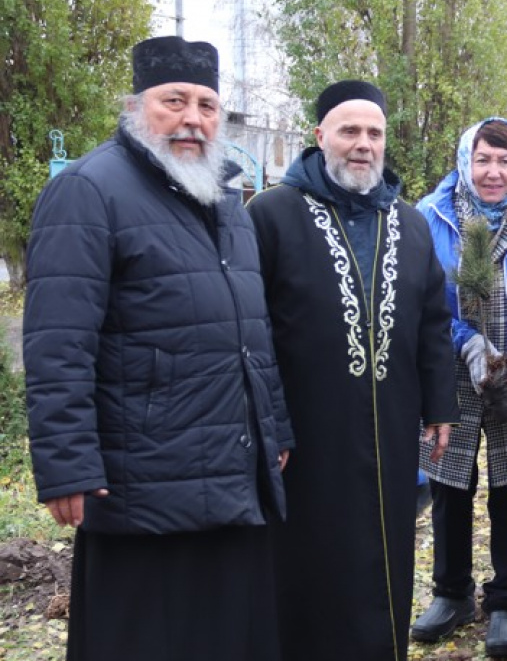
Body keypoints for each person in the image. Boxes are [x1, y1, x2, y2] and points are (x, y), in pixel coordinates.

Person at [23, 36, 292, 661]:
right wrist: (67, 464)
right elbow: (58, 342)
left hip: (230, 469)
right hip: (142, 478)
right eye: (174, 101)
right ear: (136, 106)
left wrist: (274, 426)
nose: (192, 118)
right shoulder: (89, 190)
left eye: (206, 105)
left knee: (228, 637)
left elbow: (251, 330)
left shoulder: (225, 198)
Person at [247, 80, 459, 661]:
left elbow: (433, 321)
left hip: (391, 424)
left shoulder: (410, 224)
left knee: (382, 555)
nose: (363, 144)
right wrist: (268, 421)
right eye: (350, 131)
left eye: (374, 133)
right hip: (304, 430)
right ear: (321, 137)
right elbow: (249, 328)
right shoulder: (271, 215)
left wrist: (440, 403)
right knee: (309, 557)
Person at [410, 118, 507, 656]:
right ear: (464, 162)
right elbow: (422, 300)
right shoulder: (432, 217)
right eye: (483, 159)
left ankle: (505, 601)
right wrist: (465, 340)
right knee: (450, 484)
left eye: (504, 160)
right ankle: (452, 594)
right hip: (450, 372)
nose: (493, 172)